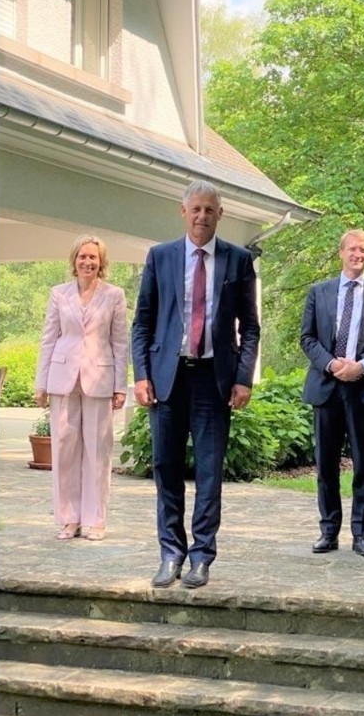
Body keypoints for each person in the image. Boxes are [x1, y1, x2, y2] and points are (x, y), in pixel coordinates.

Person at [132, 179, 261, 589]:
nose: (202, 216)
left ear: (220, 214)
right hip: (167, 380)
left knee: (209, 472)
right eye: (195, 209)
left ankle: (202, 556)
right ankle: (171, 553)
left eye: (210, 209)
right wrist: (141, 375)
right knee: (166, 469)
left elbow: (251, 328)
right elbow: (143, 322)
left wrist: (243, 378)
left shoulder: (238, 260)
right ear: (183, 212)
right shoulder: (161, 257)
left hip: (213, 381)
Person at [300, 230, 364, 558]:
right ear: (341, 252)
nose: (358, 254)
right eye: (352, 249)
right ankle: (328, 531)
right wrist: (331, 364)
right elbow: (307, 338)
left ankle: (361, 533)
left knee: (363, 463)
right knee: (325, 463)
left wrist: (362, 366)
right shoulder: (319, 292)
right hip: (326, 387)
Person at [34, 234, 128, 541]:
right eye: (82, 256)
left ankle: (95, 520)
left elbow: (119, 342)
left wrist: (120, 386)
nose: (87, 261)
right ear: (74, 260)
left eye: (93, 257)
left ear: (102, 263)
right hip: (62, 378)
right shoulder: (58, 294)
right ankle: (68, 519)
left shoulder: (114, 295)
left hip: (99, 378)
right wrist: (41, 382)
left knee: (98, 452)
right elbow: (49, 339)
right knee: (64, 449)